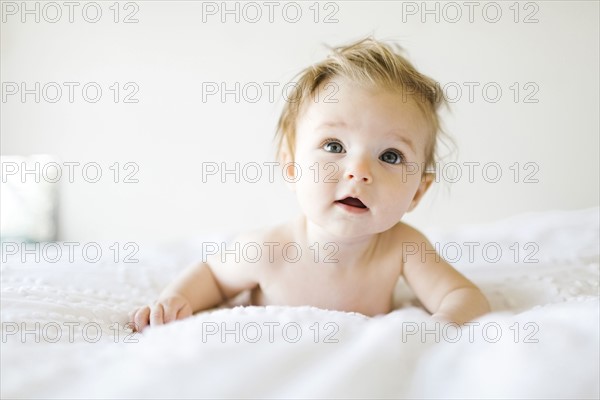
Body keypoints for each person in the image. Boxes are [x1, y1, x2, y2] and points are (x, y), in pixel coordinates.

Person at [131, 37, 490, 331]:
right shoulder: (267, 249)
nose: (359, 171)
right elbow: (212, 276)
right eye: (334, 146)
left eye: (391, 156)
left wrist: (445, 324)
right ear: (291, 168)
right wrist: (177, 299)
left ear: (417, 192)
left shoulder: (404, 248)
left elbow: (462, 295)